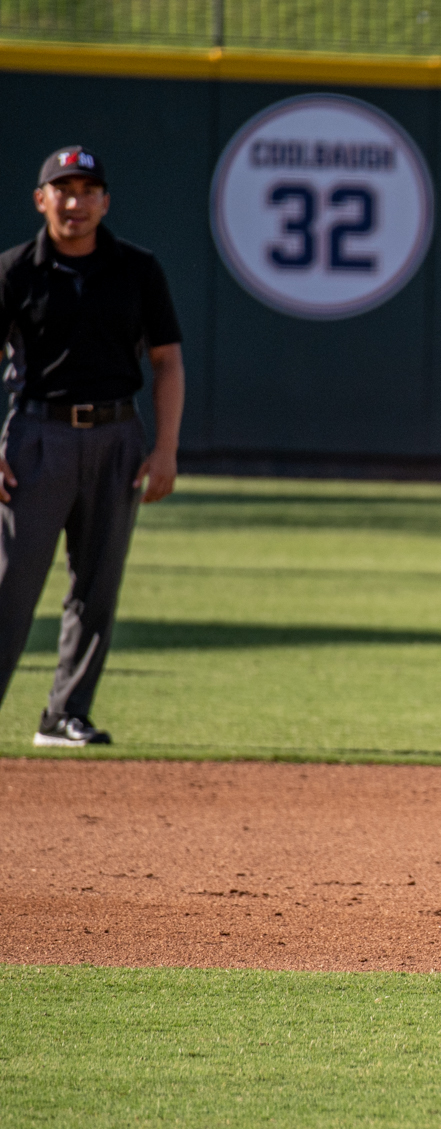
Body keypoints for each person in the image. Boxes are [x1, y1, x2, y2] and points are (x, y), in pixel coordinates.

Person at [0, 146, 182, 747]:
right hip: (38, 435)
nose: (75, 203)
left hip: (117, 435)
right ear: (41, 199)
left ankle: (65, 715)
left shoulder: (138, 270)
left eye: (87, 191)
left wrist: (166, 449)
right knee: (11, 585)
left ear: (105, 202)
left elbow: (167, 360)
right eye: (63, 190)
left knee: (97, 586)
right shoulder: (14, 271)